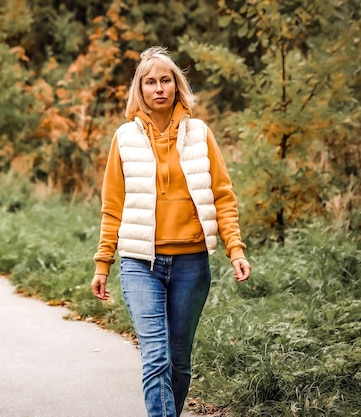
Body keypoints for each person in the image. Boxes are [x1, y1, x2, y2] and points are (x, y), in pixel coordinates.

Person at [90, 46, 251, 417]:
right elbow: (112, 205)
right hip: (139, 263)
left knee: (178, 362)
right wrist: (103, 263)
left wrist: (236, 249)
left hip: (191, 264)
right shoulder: (124, 138)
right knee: (157, 356)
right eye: (150, 82)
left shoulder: (200, 134)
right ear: (140, 90)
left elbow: (223, 196)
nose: (159, 88)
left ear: (177, 87)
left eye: (166, 80)